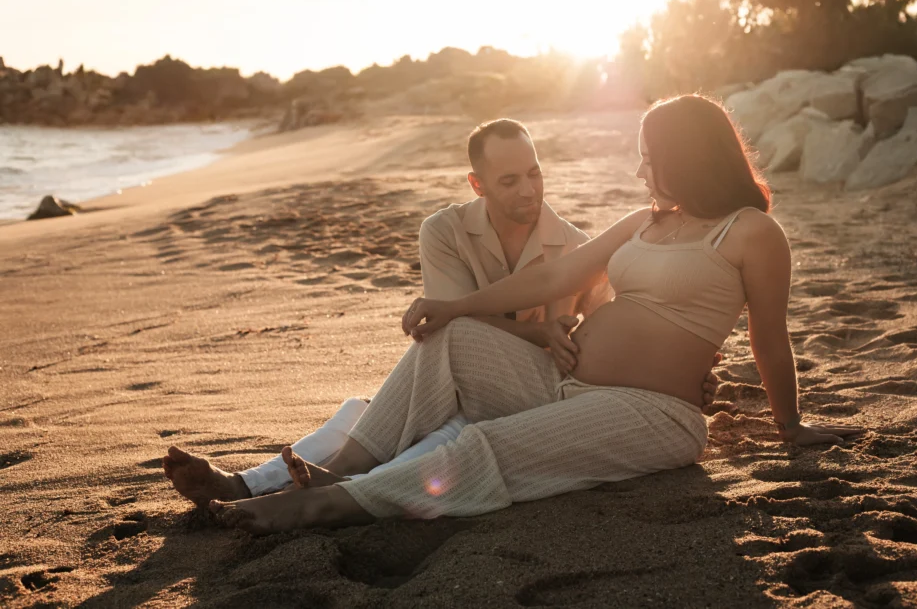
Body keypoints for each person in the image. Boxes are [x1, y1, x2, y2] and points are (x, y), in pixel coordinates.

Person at [205, 95, 863, 534]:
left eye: (650, 155)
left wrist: (792, 423)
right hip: (565, 381)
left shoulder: (751, 232)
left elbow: (770, 340)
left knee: (486, 446)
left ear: (686, 155)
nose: (640, 169)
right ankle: (341, 468)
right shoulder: (646, 220)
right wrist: (451, 306)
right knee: (454, 339)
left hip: (652, 413)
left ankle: (326, 503)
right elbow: (553, 274)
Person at [163, 118, 721, 508]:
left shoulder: (576, 244)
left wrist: (689, 370)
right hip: (449, 377)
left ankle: (309, 494)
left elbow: (617, 334)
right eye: (509, 180)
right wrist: (538, 332)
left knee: (426, 437)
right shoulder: (446, 231)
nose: (529, 189)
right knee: (360, 414)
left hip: (518, 402)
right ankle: (243, 485)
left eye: (534, 173)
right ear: (477, 184)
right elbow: (454, 324)